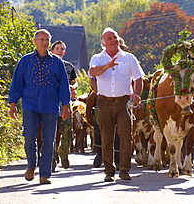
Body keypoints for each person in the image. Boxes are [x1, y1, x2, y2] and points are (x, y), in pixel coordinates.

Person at [9, 29, 70, 184]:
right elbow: (17, 83)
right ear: (35, 41)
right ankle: (31, 165)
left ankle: (45, 174)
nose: (44, 42)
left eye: (47, 40)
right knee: (29, 137)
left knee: (49, 140)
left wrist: (65, 105)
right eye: (41, 39)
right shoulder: (25, 61)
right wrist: (13, 104)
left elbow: (64, 84)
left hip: (50, 105)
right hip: (30, 103)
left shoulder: (57, 62)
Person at [88, 27, 145, 182]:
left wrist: (137, 95)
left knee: (126, 135)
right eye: (109, 39)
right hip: (104, 102)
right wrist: (108, 65)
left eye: (115, 37)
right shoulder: (97, 58)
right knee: (106, 137)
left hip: (124, 102)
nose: (114, 40)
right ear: (103, 44)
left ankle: (125, 169)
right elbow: (92, 72)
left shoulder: (129, 58)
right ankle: (109, 171)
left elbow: (139, 78)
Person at [50, 40, 77, 170]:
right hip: (51, 103)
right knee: (51, 132)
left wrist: (72, 87)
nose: (60, 51)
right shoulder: (48, 65)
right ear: (52, 51)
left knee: (68, 132)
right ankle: (53, 158)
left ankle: (64, 153)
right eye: (58, 48)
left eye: (62, 49)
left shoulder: (69, 66)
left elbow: (75, 82)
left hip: (66, 102)